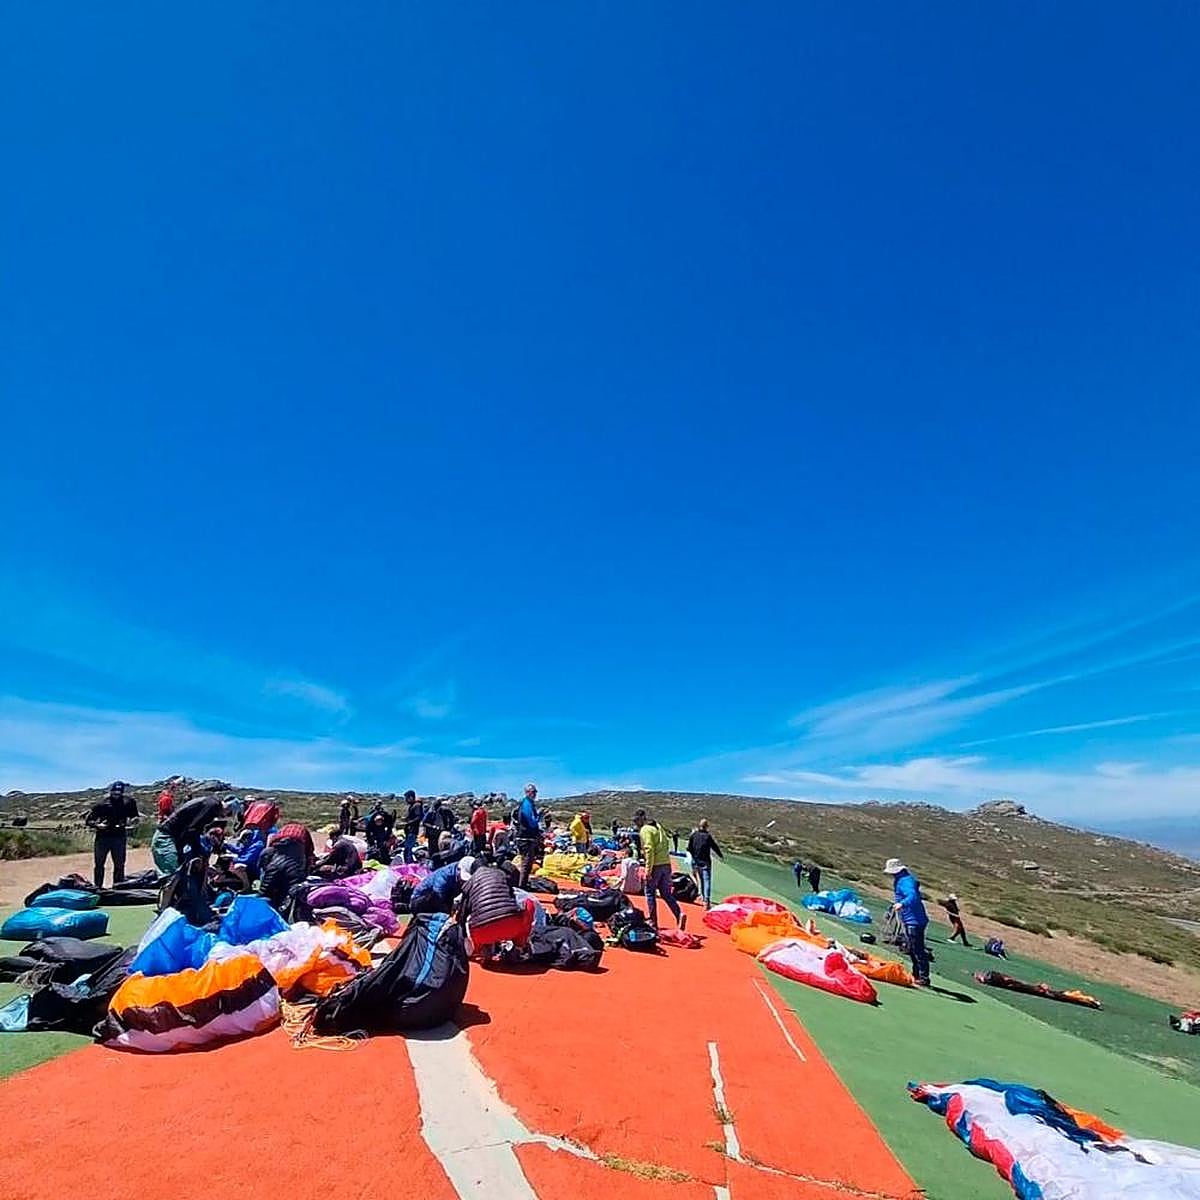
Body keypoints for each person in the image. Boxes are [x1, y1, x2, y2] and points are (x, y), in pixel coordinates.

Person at [153, 793, 229, 876]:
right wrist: (198, 854)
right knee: (171, 875)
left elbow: (194, 830)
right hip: (166, 836)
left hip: (173, 838)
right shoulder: (211, 805)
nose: (224, 816)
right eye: (228, 814)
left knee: (179, 874)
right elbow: (194, 829)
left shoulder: (209, 804)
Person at [885, 858, 930, 987]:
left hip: (914, 920)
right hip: (911, 918)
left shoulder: (905, 882)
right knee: (912, 948)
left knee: (917, 949)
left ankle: (923, 977)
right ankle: (917, 974)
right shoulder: (903, 879)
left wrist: (902, 904)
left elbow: (913, 896)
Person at [85, 781, 139, 887]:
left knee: (119, 864)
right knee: (99, 864)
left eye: (119, 792)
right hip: (102, 837)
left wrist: (133, 822)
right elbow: (89, 821)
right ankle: (98, 887)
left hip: (119, 837)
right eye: (114, 792)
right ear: (110, 791)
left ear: (122, 792)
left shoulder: (129, 802)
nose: (116, 794)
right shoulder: (102, 804)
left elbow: (134, 816)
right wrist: (98, 825)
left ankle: (118, 887)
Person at [638, 809, 684, 930]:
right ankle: (679, 914)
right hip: (666, 864)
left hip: (656, 866)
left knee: (650, 893)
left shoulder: (645, 830)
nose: (636, 823)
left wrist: (648, 871)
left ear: (642, 819)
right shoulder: (659, 827)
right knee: (666, 893)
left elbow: (649, 849)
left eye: (636, 820)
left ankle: (653, 922)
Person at [259, 823, 315, 910]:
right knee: (291, 895)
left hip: (274, 864)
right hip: (294, 866)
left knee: (265, 893)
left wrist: (266, 870)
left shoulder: (277, 837)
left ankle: (260, 914)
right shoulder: (303, 834)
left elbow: (265, 854)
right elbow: (309, 852)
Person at [686, 818, 724, 909]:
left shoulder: (694, 835)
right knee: (706, 881)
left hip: (696, 861)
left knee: (699, 879)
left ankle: (701, 896)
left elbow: (689, 847)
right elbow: (714, 846)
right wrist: (720, 855)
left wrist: (694, 856)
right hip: (705, 862)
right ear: (707, 827)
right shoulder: (707, 836)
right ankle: (706, 900)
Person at [515, 783, 544, 889]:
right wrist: (539, 815)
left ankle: (523, 885)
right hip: (525, 838)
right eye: (533, 792)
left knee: (528, 863)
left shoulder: (529, 804)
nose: (535, 794)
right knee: (526, 864)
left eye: (535, 792)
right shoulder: (526, 804)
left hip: (527, 838)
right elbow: (531, 822)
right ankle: (521, 887)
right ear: (527, 792)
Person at [403, 790, 422, 863]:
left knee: (408, 849)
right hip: (409, 831)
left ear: (411, 797)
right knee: (407, 849)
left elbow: (418, 817)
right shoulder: (412, 806)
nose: (405, 800)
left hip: (412, 830)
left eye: (406, 798)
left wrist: (408, 823)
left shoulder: (417, 805)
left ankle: (409, 864)